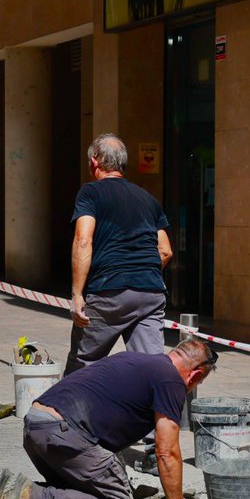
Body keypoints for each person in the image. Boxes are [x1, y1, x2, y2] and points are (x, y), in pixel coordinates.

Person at [0, 338, 217, 499]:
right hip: (65, 434)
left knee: (84, 497)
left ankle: (3, 494)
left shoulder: (135, 360)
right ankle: (29, 498)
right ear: (195, 375)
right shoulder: (171, 380)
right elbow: (167, 453)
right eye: (197, 383)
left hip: (36, 427)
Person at [67, 134, 173, 374]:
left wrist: (77, 295)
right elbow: (165, 251)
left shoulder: (90, 193)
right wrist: (142, 272)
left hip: (109, 290)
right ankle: (159, 411)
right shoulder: (148, 199)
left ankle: (71, 411)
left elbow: (83, 240)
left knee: (84, 364)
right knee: (151, 369)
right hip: (151, 293)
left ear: (94, 161)